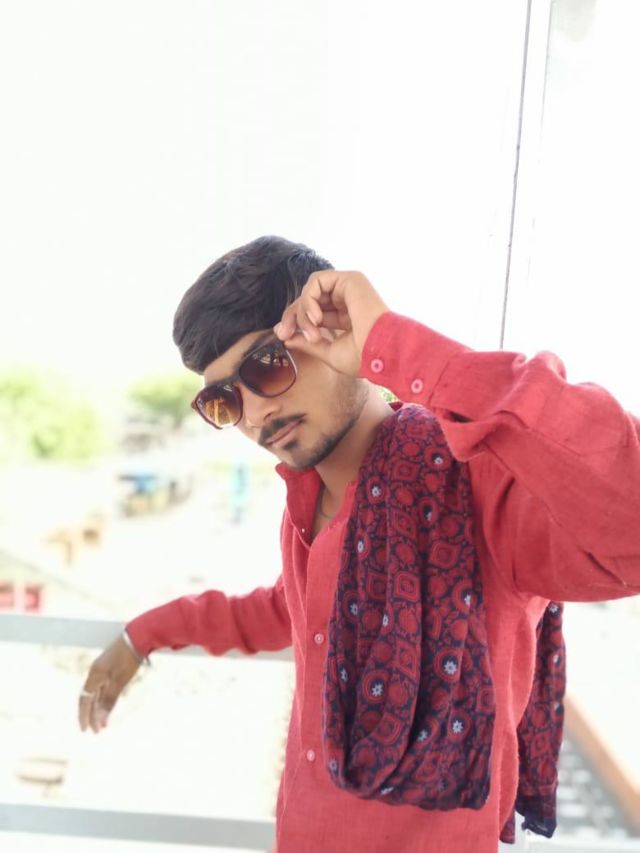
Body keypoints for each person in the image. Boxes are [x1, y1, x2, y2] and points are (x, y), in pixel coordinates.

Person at [78, 236, 640, 853]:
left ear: (334, 332)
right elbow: (289, 612)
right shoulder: (305, 504)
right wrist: (144, 635)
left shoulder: (473, 486)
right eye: (224, 399)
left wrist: (394, 345)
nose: (255, 414)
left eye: (267, 365)